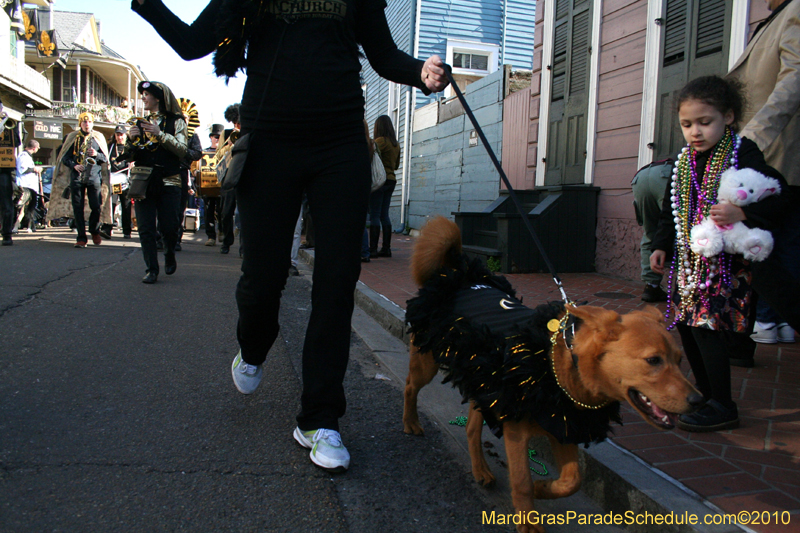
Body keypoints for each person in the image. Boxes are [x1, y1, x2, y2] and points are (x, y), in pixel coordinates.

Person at [132, 0, 448, 472]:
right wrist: (148, 5)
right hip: (270, 141)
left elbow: (383, 56)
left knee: (336, 283)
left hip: (340, 144)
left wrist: (419, 70)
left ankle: (321, 420)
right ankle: (254, 345)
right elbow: (192, 44)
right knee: (262, 277)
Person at [650, 76, 788, 432]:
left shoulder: (743, 152)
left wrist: (744, 213)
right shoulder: (684, 162)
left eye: (704, 122)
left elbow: (780, 196)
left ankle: (723, 404)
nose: (695, 131)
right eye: (687, 124)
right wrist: (662, 244)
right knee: (687, 324)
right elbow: (671, 208)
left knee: (707, 326)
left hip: (724, 264)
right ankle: (707, 395)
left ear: (727, 116)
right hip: (689, 260)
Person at [728, 0, 800, 345]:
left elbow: (793, 81)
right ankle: (776, 321)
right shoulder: (774, 19)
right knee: (776, 242)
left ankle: (772, 320)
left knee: (773, 244)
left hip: (776, 155)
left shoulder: (795, 10)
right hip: (766, 159)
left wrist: (749, 140)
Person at [124, 81, 188, 283]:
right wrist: (130, 139)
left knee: (169, 227)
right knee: (145, 228)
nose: (143, 97)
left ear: (158, 98)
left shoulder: (176, 121)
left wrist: (160, 134)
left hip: (169, 180)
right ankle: (151, 269)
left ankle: (169, 253)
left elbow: (182, 150)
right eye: (142, 94)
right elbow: (128, 156)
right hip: (143, 181)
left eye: (146, 94)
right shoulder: (138, 122)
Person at [57, 113, 110, 248]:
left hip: (93, 176)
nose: (87, 124)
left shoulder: (98, 138)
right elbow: (65, 157)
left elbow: (105, 158)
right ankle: (81, 237)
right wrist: (74, 165)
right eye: (84, 122)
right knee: (77, 208)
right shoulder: (72, 138)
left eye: (90, 122)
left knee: (96, 207)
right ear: (80, 123)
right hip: (77, 176)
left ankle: (94, 230)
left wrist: (96, 154)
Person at [631, 159, 673, 302]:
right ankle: (684, 284)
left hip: (640, 176)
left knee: (650, 233)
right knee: (680, 231)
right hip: (665, 174)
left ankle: (651, 286)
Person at [369, 115, 400, 257]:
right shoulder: (396, 144)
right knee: (384, 215)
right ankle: (386, 248)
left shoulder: (379, 141)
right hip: (391, 180)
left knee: (374, 215)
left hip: (379, 180)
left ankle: (373, 249)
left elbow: (370, 156)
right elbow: (396, 165)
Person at [176, 100, 204, 251]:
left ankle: (176, 239)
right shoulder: (168, 132)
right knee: (164, 207)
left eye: (185, 119)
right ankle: (161, 237)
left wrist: (184, 152)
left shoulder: (192, 136)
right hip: (166, 172)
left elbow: (198, 153)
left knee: (180, 208)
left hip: (181, 173)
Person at [218, 103, 240, 255]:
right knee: (226, 212)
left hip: (244, 175)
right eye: (235, 123)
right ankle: (227, 240)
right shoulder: (226, 134)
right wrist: (229, 145)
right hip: (229, 176)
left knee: (244, 213)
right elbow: (219, 155)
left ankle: (244, 248)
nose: (237, 125)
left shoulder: (248, 131)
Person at [0, 97, 22, 246]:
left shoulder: (8, 122)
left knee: (7, 203)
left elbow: (18, 142)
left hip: (4, 169)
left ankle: (7, 234)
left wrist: (8, 127)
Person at [108, 124, 133, 238]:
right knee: (111, 204)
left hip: (125, 180)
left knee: (126, 205)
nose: (120, 137)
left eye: (122, 135)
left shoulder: (130, 147)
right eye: (118, 135)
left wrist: (133, 163)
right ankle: (108, 228)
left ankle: (127, 231)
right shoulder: (111, 147)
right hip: (113, 180)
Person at [201, 123, 223, 246]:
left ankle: (221, 230)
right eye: (215, 136)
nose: (217, 139)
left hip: (221, 186)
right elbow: (196, 166)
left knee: (222, 211)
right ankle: (211, 237)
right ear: (211, 138)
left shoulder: (226, 152)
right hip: (208, 185)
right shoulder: (205, 152)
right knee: (208, 211)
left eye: (219, 137)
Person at [14, 140, 42, 233]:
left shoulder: (27, 156)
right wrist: (35, 169)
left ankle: (30, 226)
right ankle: (17, 226)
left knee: (31, 207)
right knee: (24, 208)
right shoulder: (23, 156)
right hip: (25, 185)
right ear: (35, 148)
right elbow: (23, 169)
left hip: (31, 186)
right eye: (38, 148)